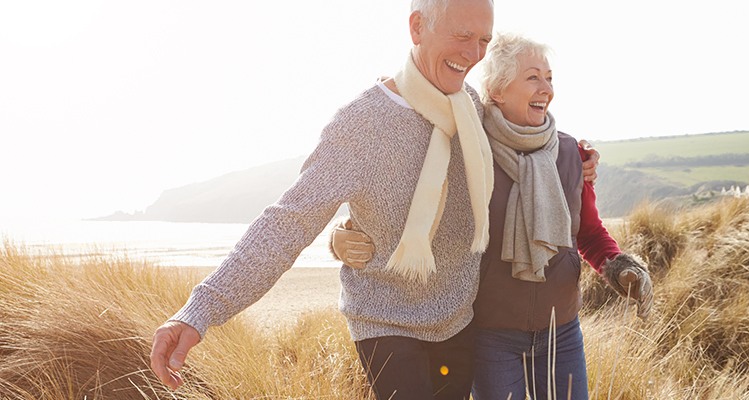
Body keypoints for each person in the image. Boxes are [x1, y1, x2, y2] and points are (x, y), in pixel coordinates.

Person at [151, 1, 497, 399]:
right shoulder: (361, 123)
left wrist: (582, 160)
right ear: (417, 28)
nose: (474, 55)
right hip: (384, 322)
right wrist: (200, 310)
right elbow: (288, 222)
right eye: (462, 36)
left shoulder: (472, 109)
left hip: (458, 320)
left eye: (484, 40)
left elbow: (524, 151)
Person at [330, 32, 653, 400]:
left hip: (562, 330)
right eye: (533, 77)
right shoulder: (467, 149)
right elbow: (411, 210)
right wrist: (342, 234)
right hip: (491, 335)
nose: (546, 88)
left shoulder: (569, 153)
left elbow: (590, 233)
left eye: (550, 78)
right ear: (498, 91)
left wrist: (619, 265)